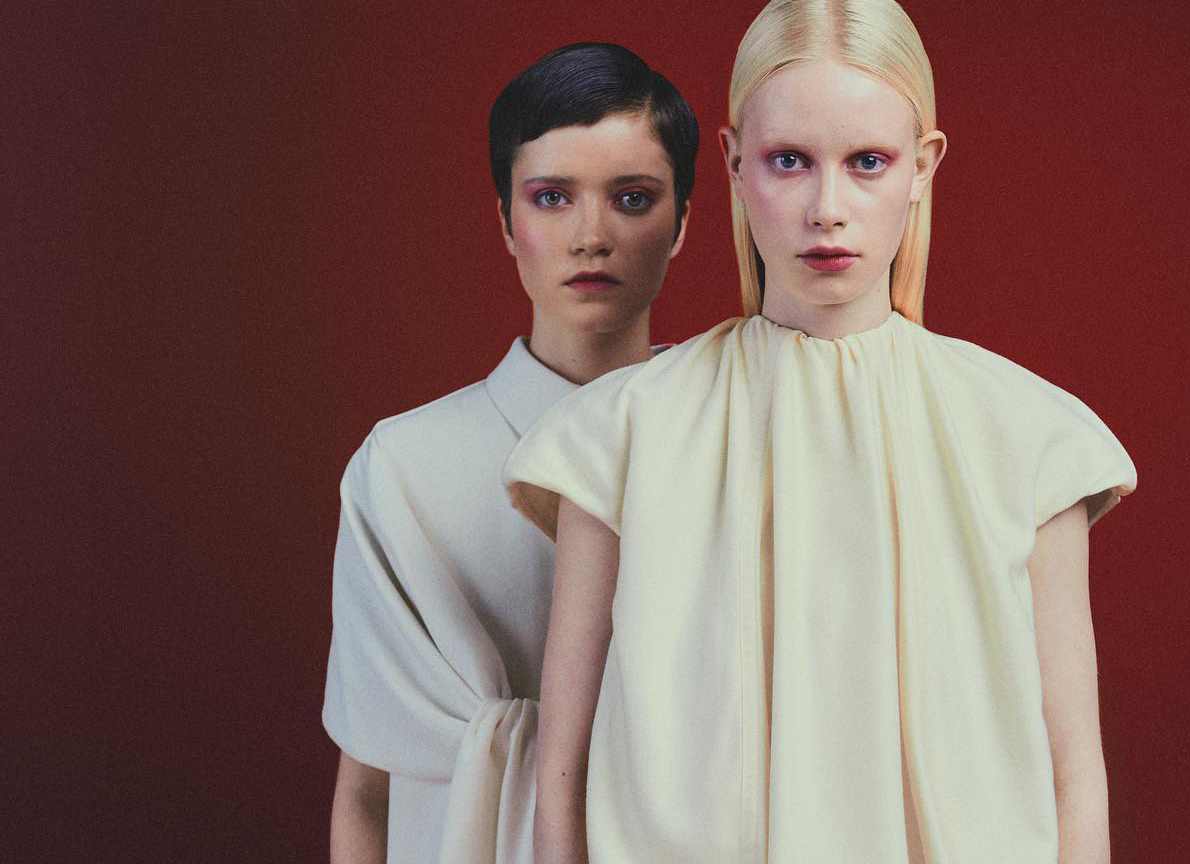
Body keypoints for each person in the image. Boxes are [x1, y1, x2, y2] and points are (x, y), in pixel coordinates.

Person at [505, 2, 1138, 862]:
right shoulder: (616, 436)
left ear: (923, 167)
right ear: (733, 163)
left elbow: (1075, 777)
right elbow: (564, 774)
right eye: (790, 161)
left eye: (867, 162)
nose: (826, 208)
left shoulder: (1028, 436)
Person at [322, 43, 698, 864]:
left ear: (680, 224)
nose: (591, 236)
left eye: (633, 198)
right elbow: (366, 792)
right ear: (505, 221)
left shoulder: (729, 446)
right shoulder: (404, 470)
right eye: (552, 197)